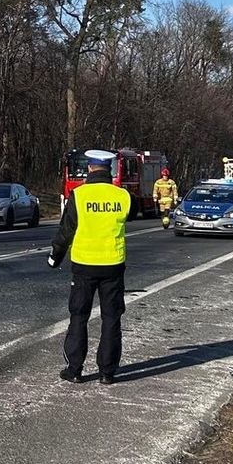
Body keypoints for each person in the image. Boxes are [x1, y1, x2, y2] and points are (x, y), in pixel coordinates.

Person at [48, 149, 130, 385]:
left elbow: (67, 229)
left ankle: (74, 369)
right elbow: (128, 217)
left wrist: (56, 255)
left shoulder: (79, 195)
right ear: (110, 170)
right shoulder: (122, 196)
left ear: (90, 169)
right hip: (113, 265)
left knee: (79, 316)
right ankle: (107, 372)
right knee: (111, 318)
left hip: (84, 265)